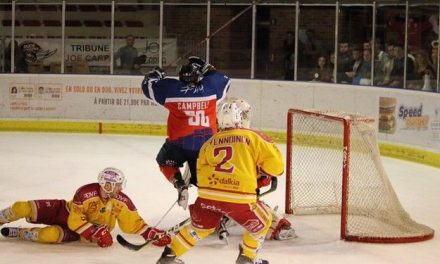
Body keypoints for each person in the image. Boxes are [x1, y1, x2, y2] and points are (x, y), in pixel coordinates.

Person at [156, 101, 285, 264]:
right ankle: (247, 258)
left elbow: (200, 173)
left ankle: (169, 257)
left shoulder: (208, 143)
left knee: (200, 228)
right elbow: (277, 168)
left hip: (208, 198)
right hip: (240, 199)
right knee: (264, 221)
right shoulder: (253, 136)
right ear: (239, 119)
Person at [0, 167, 171, 248]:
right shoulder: (85, 192)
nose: (121, 188)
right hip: (62, 211)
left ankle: (20, 233)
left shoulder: (121, 201)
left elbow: (133, 223)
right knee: (21, 207)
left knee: (49, 235)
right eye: (117, 185)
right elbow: (75, 220)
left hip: (78, 232)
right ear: (108, 185)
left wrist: (151, 234)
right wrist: (95, 232)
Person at [141, 56, 231, 209]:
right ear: (198, 77)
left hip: (179, 144)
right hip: (205, 145)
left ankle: (179, 183)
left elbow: (147, 86)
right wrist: (206, 66)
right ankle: (213, 204)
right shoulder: (210, 88)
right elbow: (224, 79)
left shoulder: (172, 89)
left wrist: (155, 74)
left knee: (164, 160)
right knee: (203, 179)